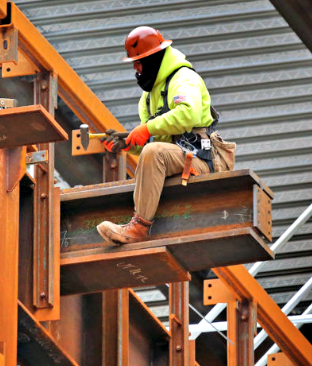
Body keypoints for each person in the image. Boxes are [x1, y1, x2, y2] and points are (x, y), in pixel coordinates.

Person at [97, 26, 235, 245]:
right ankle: (138, 222)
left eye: (138, 61)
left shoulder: (183, 78)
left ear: (153, 58)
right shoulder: (149, 96)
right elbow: (155, 143)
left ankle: (138, 228)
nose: (135, 67)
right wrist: (127, 145)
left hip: (202, 160)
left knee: (154, 152)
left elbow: (187, 114)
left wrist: (146, 129)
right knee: (153, 151)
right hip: (178, 158)